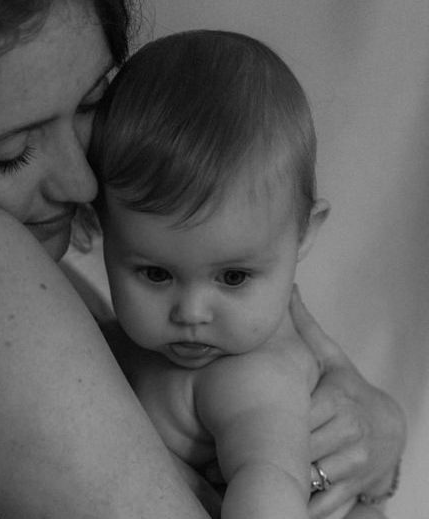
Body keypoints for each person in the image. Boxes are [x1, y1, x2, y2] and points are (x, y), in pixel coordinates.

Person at [0, 0, 405, 517]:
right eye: (10, 152)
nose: (85, 185)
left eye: (94, 103)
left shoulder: (66, 294)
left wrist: (368, 445)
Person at [88, 30, 403, 519]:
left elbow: (270, 486)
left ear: (303, 234)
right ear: (98, 225)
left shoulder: (250, 378)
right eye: (155, 273)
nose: (191, 313)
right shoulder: (106, 339)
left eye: (232, 278)